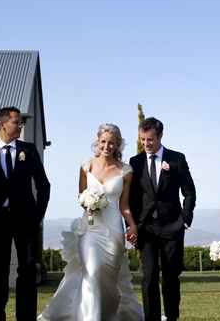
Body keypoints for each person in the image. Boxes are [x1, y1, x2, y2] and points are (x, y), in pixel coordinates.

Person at [38, 123, 143, 320]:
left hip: (114, 231)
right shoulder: (86, 166)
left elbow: (124, 206)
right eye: (103, 141)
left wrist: (133, 225)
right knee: (92, 272)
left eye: (112, 143)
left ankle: (109, 312)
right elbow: (81, 197)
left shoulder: (126, 171)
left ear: (118, 145)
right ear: (97, 141)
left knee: (108, 280)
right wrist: (89, 204)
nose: (107, 146)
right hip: (90, 229)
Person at [0, 107, 51, 321]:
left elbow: (43, 186)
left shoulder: (28, 150)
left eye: (21, 122)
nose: (21, 125)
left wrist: (37, 216)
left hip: (26, 221)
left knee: (28, 271)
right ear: (3, 124)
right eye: (17, 122)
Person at [129, 117, 196, 321]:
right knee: (148, 277)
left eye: (150, 139)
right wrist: (132, 226)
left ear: (160, 136)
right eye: (142, 139)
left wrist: (184, 219)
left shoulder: (177, 159)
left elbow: (189, 192)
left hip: (172, 227)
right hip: (146, 229)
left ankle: (172, 317)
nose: (146, 144)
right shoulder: (135, 162)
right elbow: (131, 198)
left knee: (170, 277)